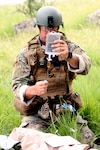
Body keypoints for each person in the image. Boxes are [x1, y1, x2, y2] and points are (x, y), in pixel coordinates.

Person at [12, 5, 92, 140]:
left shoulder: (68, 46)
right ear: (38, 27)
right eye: (46, 28)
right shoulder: (26, 53)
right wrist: (32, 90)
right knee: (32, 142)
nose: (50, 32)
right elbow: (17, 85)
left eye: (54, 28)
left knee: (88, 140)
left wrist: (69, 56)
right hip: (37, 110)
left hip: (65, 106)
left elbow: (86, 65)